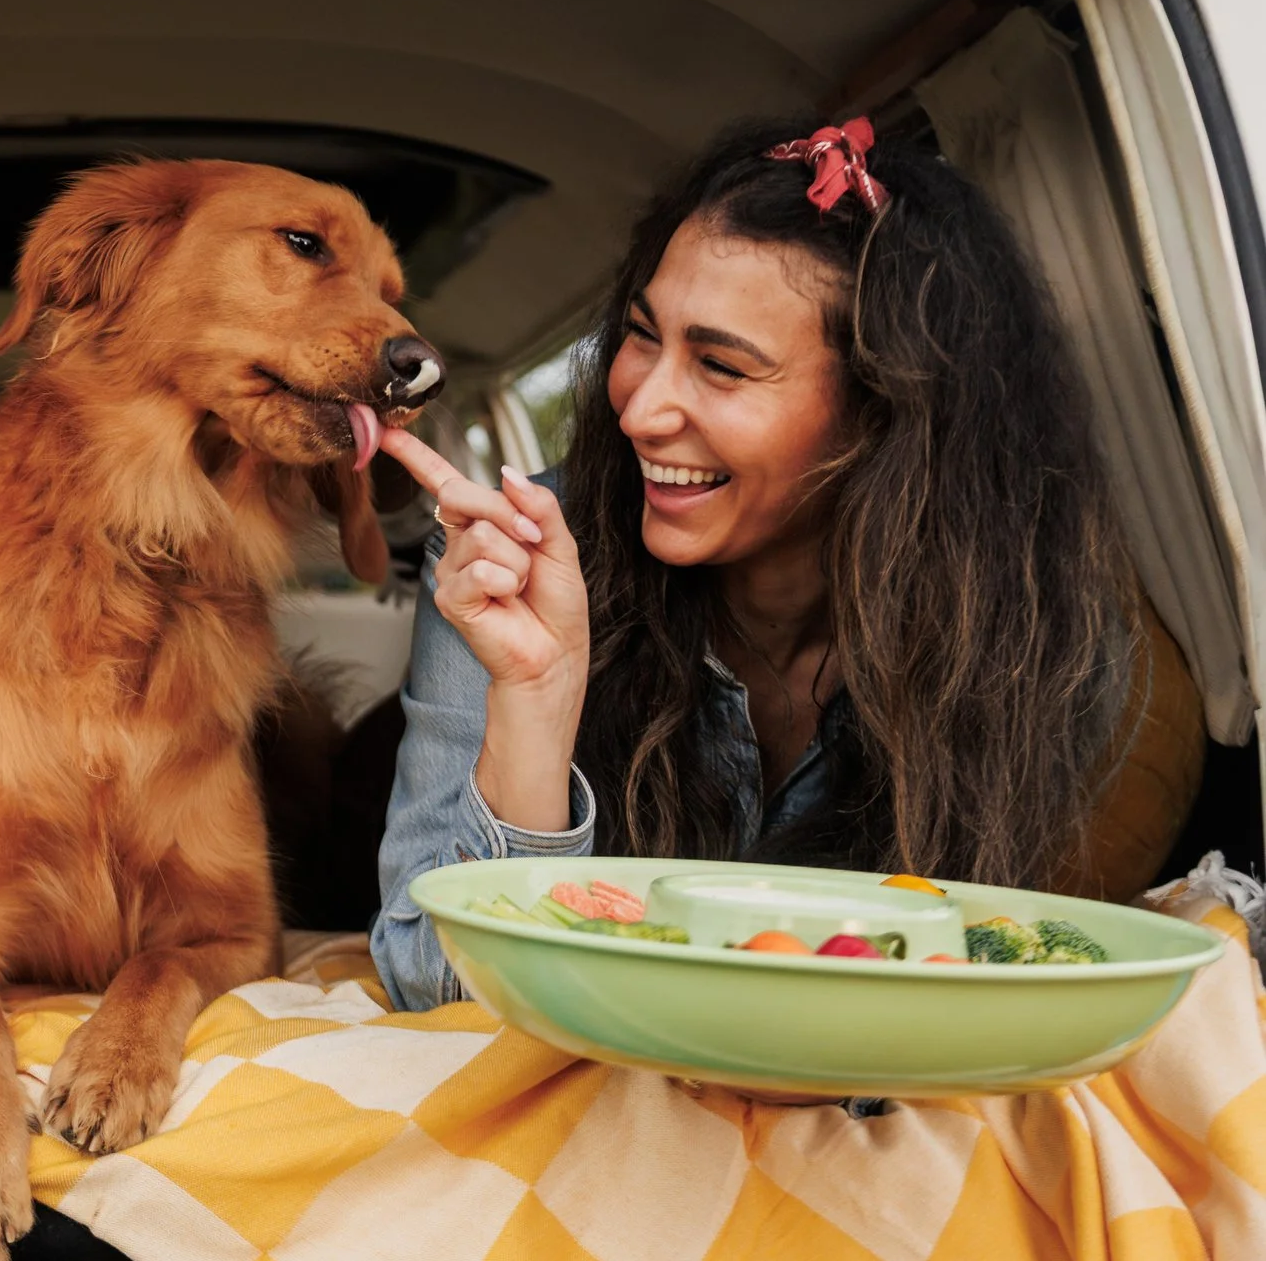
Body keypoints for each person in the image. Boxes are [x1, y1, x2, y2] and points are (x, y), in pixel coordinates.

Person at [370, 117, 1201, 1011]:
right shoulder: (515, 558)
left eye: (721, 366)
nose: (641, 407)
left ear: (885, 408)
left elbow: (992, 982)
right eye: (643, 335)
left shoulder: (1038, 634)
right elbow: (429, 982)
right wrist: (536, 695)